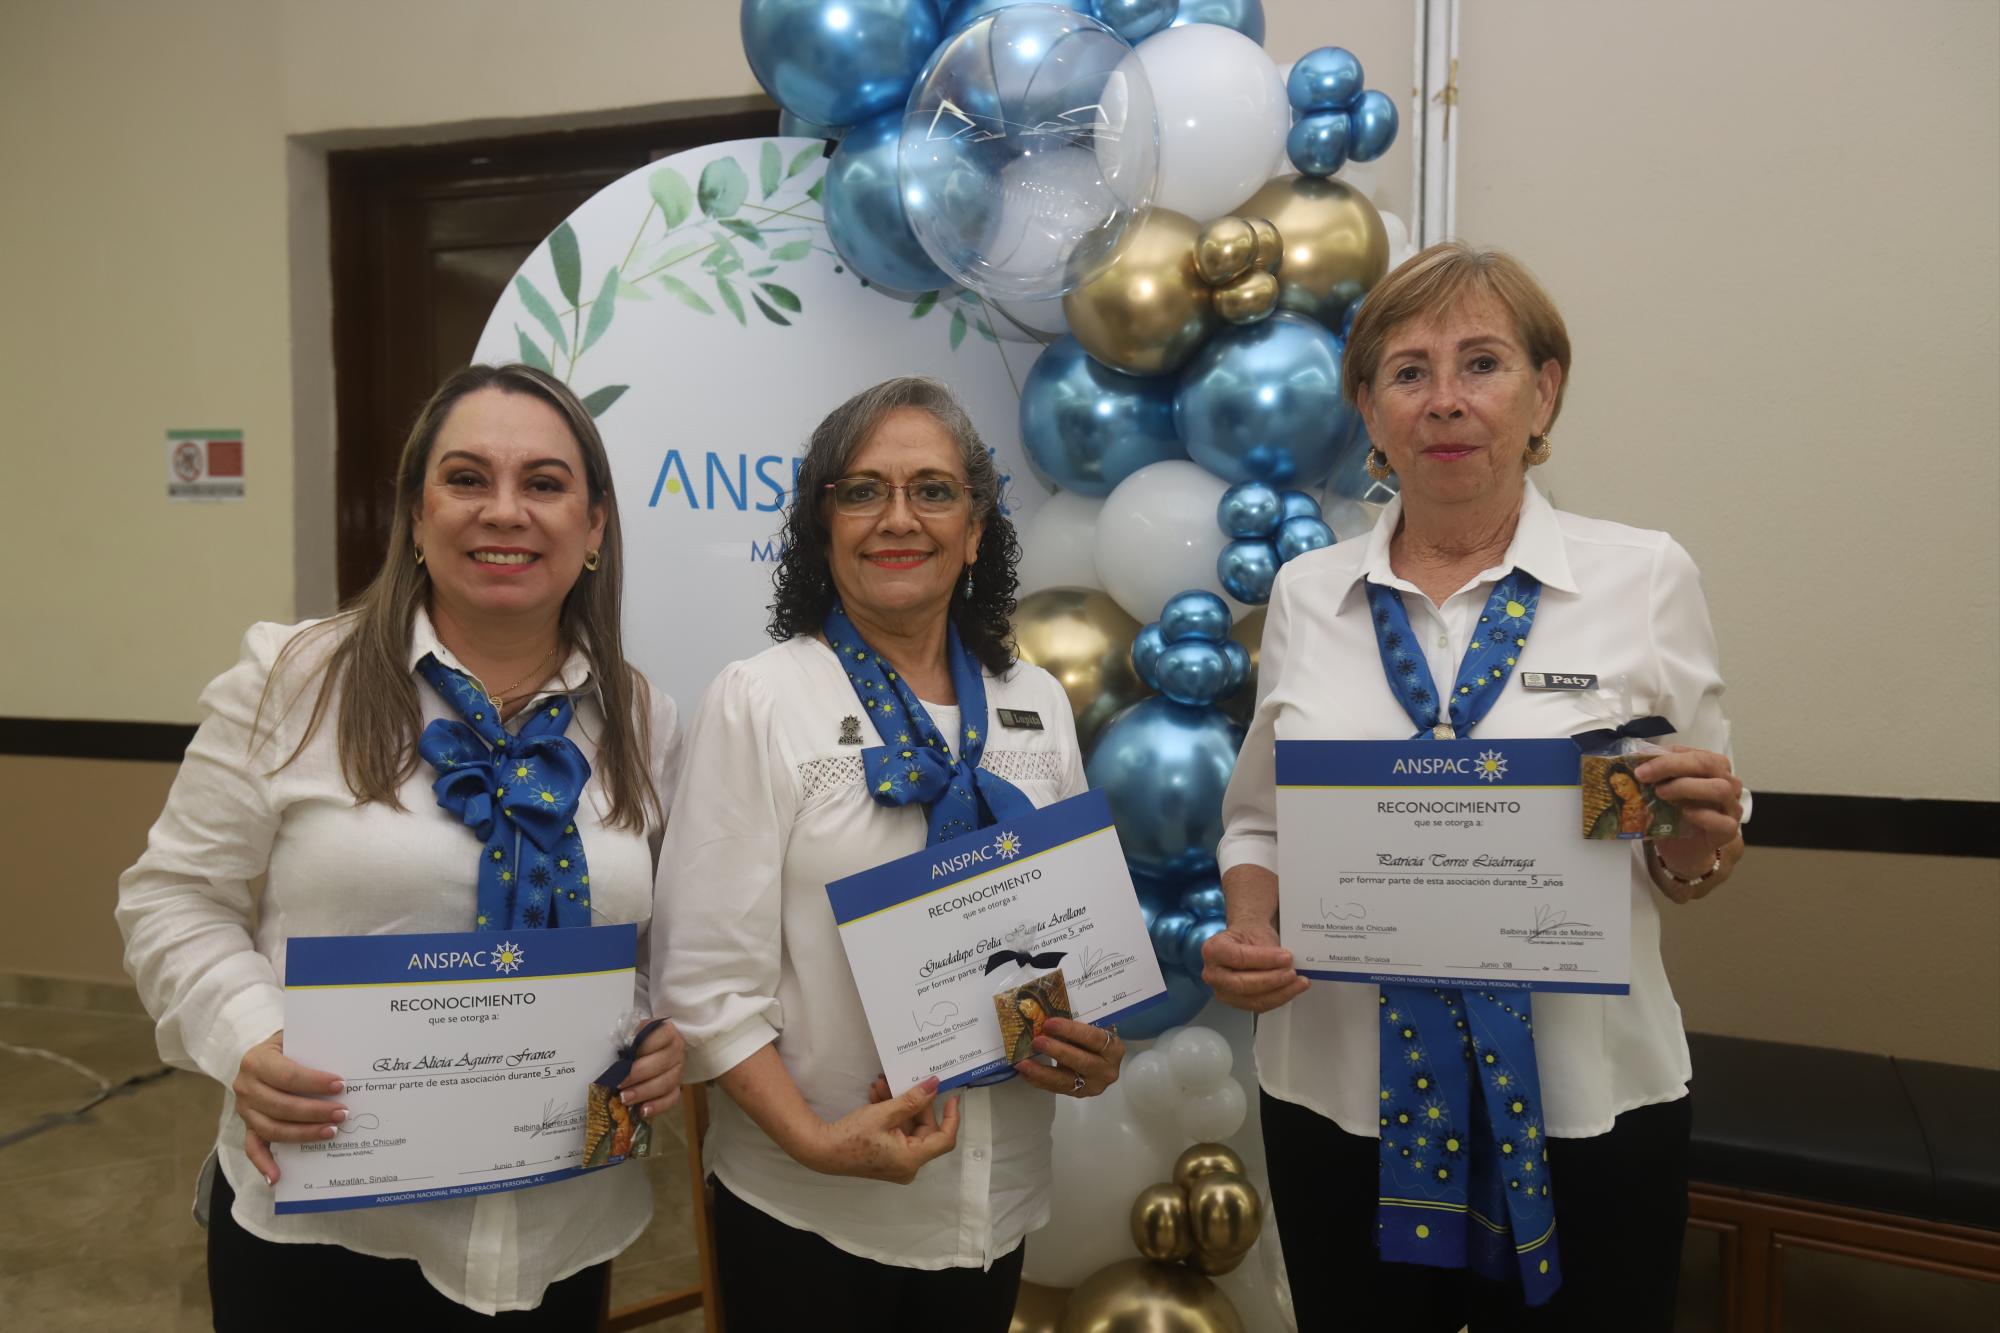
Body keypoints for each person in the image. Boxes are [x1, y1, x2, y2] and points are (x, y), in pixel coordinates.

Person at [1203, 243, 1746, 1332]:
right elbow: (1260, 814)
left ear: (1542, 390)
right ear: (1366, 408)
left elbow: (1686, 844)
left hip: (1584, 1097)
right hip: (1339, 1094)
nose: (1443, 401)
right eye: (1406, 372)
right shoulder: (1308, 595)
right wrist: (1252, 924)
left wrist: (1693, 839)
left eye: (1481, 364)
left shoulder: (1640, 578)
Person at [115, 364, 685, 1325]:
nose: (504, 511)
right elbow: (173, 895)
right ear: (417, 517)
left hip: (560, 1224)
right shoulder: (294, 677)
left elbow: (646, 949)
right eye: (467, 479)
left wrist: (656, 1035)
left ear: (593, 528)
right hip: (331, 1229)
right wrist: (251, 1038)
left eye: (544, 484)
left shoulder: (643, 718)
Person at [652, 376, 1126, 1333]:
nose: (898, 519)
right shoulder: (760, 699)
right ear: (821, 525)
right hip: (811, 1214)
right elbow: (703, 986)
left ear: (978, 528)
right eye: (862, 490)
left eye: (933, 490)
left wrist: (1096, 1045)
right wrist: (816, 1142)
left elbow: (1074, 940)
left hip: (995, 1201)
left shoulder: (1034, 700)